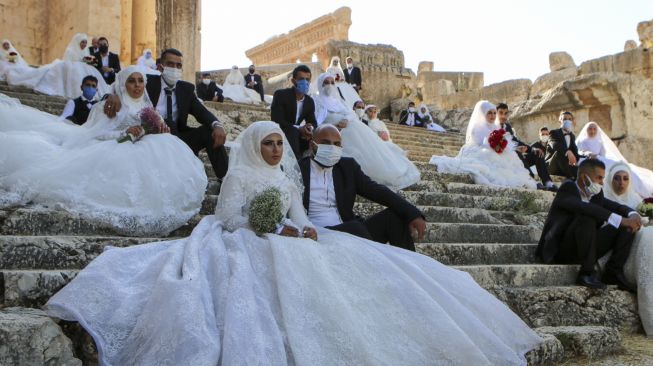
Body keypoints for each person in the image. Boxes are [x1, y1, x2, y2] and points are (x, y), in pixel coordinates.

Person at [46, 121, 543, 365]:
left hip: (296, 235)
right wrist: (276, 228)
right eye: (267, 142)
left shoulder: (288, 178)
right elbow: (230, 217)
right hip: (247, 239)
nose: (275, 149)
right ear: (252, 146)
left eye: (279, 142)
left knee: (354, 260)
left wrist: (302, 227)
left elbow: (299, 210)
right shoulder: (239, 176)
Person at [0, 65, 207, 235]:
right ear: (122, 83)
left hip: (147, 151)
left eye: (140, 80)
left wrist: (159, 129)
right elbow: (97, 133)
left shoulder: (149, 109)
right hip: (117, 150)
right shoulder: (110, 105)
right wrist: (125, 133)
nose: (137, 85)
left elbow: (158, 129)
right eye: (131, 81)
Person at [103, 48, 228, 179]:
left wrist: (217, 125)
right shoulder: (147, 82)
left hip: (179, 138)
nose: (175, 68)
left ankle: (226, 179)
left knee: (210, 132)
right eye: (170, 64)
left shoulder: (186, 89)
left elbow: (201, 112)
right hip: (151, 138)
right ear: (160, 67)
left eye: (178, 65)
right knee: (166, 121)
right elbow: (122, 82)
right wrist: (112, 95)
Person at [301, 123, 423, 250]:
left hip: (351, 230)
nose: (332, 148)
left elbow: (377, 190)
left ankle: (409, 266)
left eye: (337, 144)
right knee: (355, 228)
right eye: (326, 143)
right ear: (312, 145)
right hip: (320, 233)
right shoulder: (299, 170)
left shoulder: (347, 167)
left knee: (394, 218)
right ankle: (376, 262)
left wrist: (413, 213)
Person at [537, 159, 640, 290]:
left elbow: (615, 206)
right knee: (587, 216)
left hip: (587, 247)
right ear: (584, 177)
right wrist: (619, 220)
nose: (602, 182)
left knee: (627, 226)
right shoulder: (567, 188)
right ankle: (586, 273)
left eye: (603, 178)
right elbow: (583, 207)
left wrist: (632, 215)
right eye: (599, 178)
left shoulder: (596, 193)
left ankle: (613, 272)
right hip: (562, 250)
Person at [314, 72, 420, 190]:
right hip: (333, 133)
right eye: (326, 83)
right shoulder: (316, 101)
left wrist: (346, 120)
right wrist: (334, 125)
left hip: (352, 129)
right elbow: (316, 120)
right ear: (320, 84)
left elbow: (350, 113)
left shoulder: (338, 101)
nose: (329, 85)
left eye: (332, 82)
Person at [430, 101, 537, 189]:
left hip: (494, 151)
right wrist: (493, 145)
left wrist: (515, 147)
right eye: (489, 113)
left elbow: (504, 144)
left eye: (494, 113)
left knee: (511, 156)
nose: (493, 116)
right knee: (490, 157)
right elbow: (479, 145)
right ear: (483, 114)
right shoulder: (476, 128)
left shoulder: (496, 127)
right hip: (479, 151)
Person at [603, 162, 653, 336]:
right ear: (610, 179)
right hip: (611, 245)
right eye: (616, 178)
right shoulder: (603, 195)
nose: (621, 183)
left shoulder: (636, 200)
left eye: (625, 179)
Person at [5, 33, 110, 99]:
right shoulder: (71, 50)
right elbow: (68, 61)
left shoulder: (85, 51)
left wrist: (88, 61)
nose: (83, 45)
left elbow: (85, 59)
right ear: (77, 42)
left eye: (85, 43)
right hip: (71, 67)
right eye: (82, 42)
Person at [576, 121, 653, 198]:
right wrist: (587, 154)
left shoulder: (599, 142)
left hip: (599, 159)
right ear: (586, 130)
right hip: (586, 160)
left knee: (620, 166)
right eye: (590, 129)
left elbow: (603, 153)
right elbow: (578, 152)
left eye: (594, 129)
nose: (592, 131)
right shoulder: (581, 141)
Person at [496, 103, 556, 191]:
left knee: (537, 153)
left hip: (515, 157)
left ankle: (548, 183)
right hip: (504, 159)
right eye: (501, 113)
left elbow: (515, 141)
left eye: (506, 113)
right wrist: (515, 149)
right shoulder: (492, 126)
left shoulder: (507, 126)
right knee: (517, 152)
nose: (503, 116)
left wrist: (532, 149)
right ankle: (532, 181)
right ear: (496, 113)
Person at [270, 64, 317, 158]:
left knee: (318, 135)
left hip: (299, 134)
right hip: (282, 131)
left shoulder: (309, 101)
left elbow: (313, 122)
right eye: (301, 79)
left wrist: (309, 128)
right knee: (292, 131)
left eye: (307, 80)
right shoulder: (281, 95)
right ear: (293, 81)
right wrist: (299, 128)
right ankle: (296, 163)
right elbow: (277, 119)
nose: (305, 82)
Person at [545, 111, 581, 180]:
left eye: (569, 119)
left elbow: (575, 154)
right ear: (560, 121)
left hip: (564, 167)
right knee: (559, 152)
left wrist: (586, 157)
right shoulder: (554, 132)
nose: (567, 121)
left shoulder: (572, 136)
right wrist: (567, 151)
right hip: (552, 166)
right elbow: (555, 145)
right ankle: (571, 177)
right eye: (564, 119)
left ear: (572, 121)